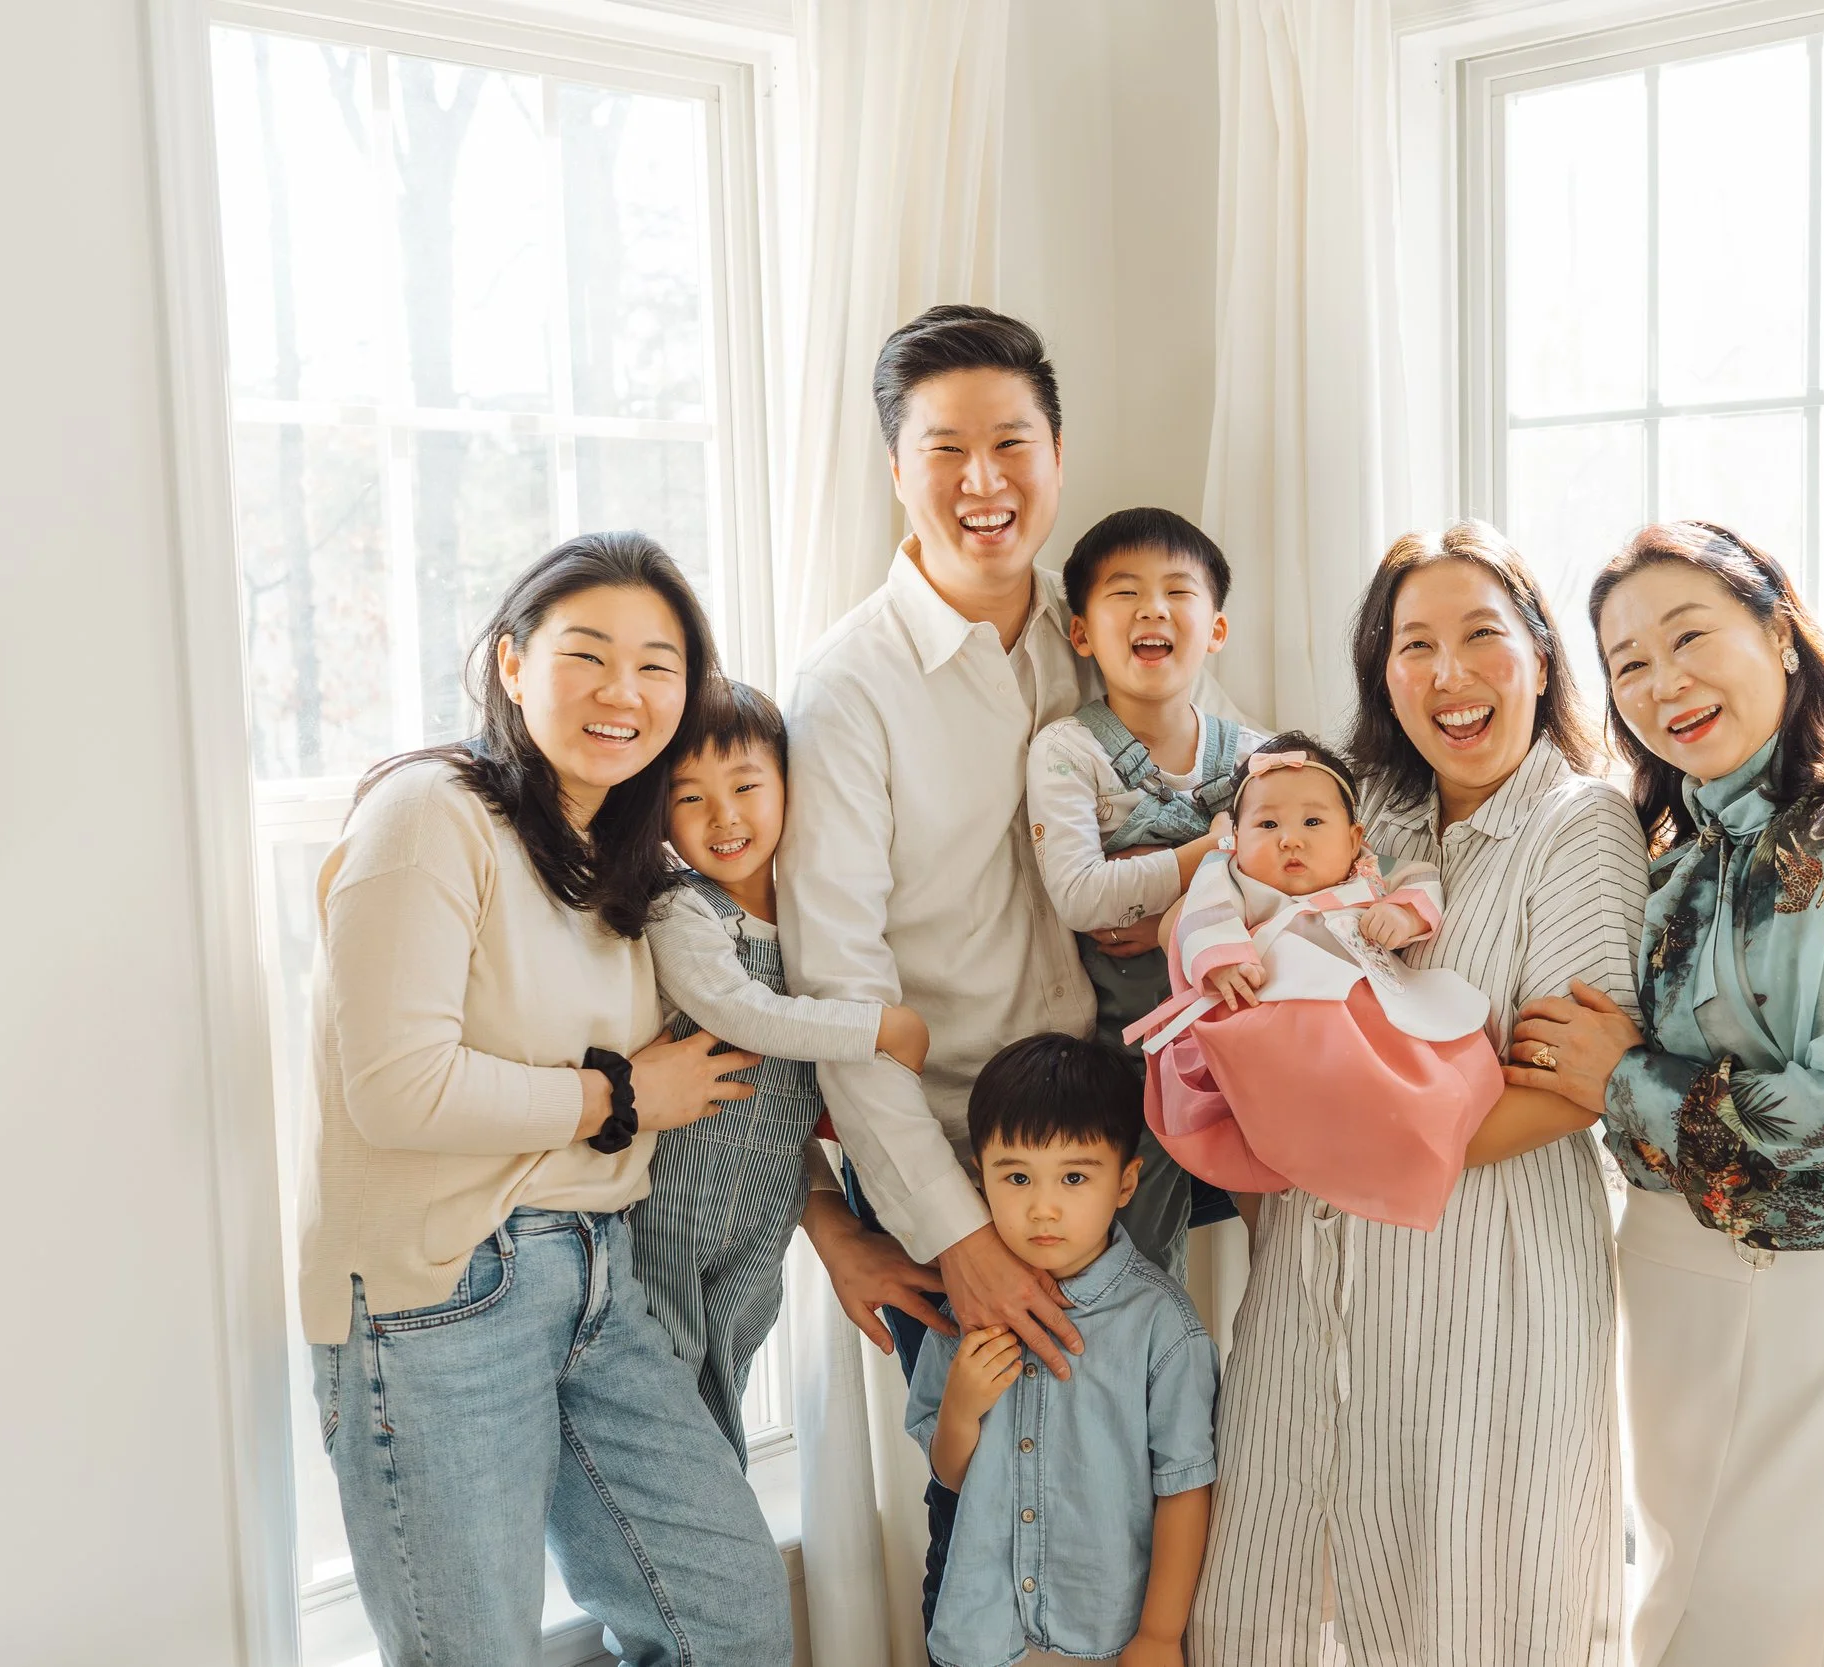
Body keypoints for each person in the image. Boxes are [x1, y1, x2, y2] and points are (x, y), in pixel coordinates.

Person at [777, 305, 1237, 1627]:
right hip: (963, 1158)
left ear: (1057, 447)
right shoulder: (851, 686)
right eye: (946, 450)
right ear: (896, 468)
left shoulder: (1097, 630)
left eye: (1011, 443)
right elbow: (838, 990)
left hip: (1135, 1130)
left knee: (1141, 1478)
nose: (984, 483)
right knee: (990, 1507)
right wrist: (958, 1230)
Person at [302, 532, 798, 1667]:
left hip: (600, 1276)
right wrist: (619, 1094)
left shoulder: (622, 857)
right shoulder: (428, 810)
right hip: (442, 1293)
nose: (624, 691)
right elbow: (396, 1089)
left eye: (658, 663)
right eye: (588, 653)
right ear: (512, 663)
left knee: (730, 1618)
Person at [1507, 520, 1824, 1667]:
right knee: (1678, 1608)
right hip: (1671, 1282)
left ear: (1777, 630)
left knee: (1775, 1629)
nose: (1663, 683)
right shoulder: (1663, 851)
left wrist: (1618, 1075)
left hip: (1812, 1287)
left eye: (1688, 635)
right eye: (1627, 664)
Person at [1188, 522, 1651, 1666]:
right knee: (1266, 1600)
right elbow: (1229, 945)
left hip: (1489, 1280)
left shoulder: (1576, 822)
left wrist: (1343, 1145)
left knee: (1475, 1607)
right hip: (1310, 1277)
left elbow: (1564, 1087)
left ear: (1541, 658)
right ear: (1380, 674)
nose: (1448, 673)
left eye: (1481, 635)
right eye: (1413, 644)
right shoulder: (1362, 822)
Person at [629, 677, 930, 1464]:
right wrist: (878, 1029)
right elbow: (743, 1013)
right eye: (690, 798)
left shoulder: (813, 914)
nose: (724, 816)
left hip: (765, 1210)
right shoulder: (681, 909)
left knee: (724, 1380)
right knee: (665, 1392)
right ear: (660, 815)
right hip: (676, 1201)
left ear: (789, 783)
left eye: (745, 785)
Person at [905, 1034, 1219, 1667]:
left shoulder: (1163, 1327)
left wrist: (1159, 1636)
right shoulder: (966, 1313)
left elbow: (1185, 1487)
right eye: (1016, 1176)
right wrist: (962, 1410)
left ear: (1127, 1181)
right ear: (979, 1178)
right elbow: (952, 1477)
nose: (1042, 1207)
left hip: (1108, 1629)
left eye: (1074, 1176)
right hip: (988, 1631)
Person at [1127, 733, 1503, 1232]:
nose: (1290, 839)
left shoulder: (1366, 870)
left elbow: (1421, 875)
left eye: (1312, 822)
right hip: (1278, 1008)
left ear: (1353, 838)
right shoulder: (1230, 876)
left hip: (1360, 1004)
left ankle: (1413, 1116)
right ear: (1235, 840)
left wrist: (1403, 914)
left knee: (1429, 1048)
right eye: (1267, 824)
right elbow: (1200, 917)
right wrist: (1224, 960)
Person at [1028, 506, 1266, 1268]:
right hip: (1130, 1067)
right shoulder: (1068, 751)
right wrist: (1208, 855)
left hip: (1248, 1047)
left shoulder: (1259, 756)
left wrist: (1164, 912)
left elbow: (1292, 888)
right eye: (1124, 593)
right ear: (1082, 633)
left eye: (1177, 592)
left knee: (1287, 1235)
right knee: (1132, 1260)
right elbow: (1080, 896)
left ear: (1216, 630)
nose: (1153, 608)